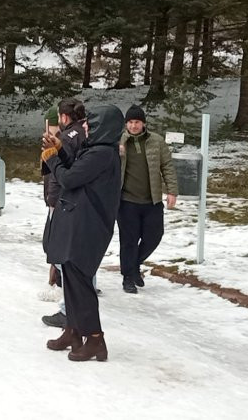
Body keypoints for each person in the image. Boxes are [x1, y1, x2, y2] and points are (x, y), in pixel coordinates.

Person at [42, 105, 124, 362]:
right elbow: (75, 169)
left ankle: (96, 339)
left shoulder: (102, 154)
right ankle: (73, 331)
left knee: (80, 279)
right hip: (79, 219)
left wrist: (51, 158)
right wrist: (59, 151)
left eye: (91, 124)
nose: (85, 127)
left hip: (89, 224)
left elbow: (69, 179)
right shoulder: (95, 150)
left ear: (103, 127)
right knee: (70, 276)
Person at [117, 104, 178, 294]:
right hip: (126, 200)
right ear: (126, 124)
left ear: (144, 123)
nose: (134, 126)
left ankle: (134, 265)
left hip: (151, 200)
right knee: (129, 240)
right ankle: (128, 277)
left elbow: (167, 165)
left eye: (137, 122)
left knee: (154, 236)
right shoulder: (118, 142)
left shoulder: (156, 141)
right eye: (130, 122)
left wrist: (172, 191)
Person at [40, 99, 87, 329]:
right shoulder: (80, 135)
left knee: (62, 255)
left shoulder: (70, 138)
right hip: (69, 201)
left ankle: (71, 310)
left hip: (63, 202)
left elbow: (63, 172)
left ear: (64, 117)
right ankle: (75, 307)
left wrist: (53, 200)